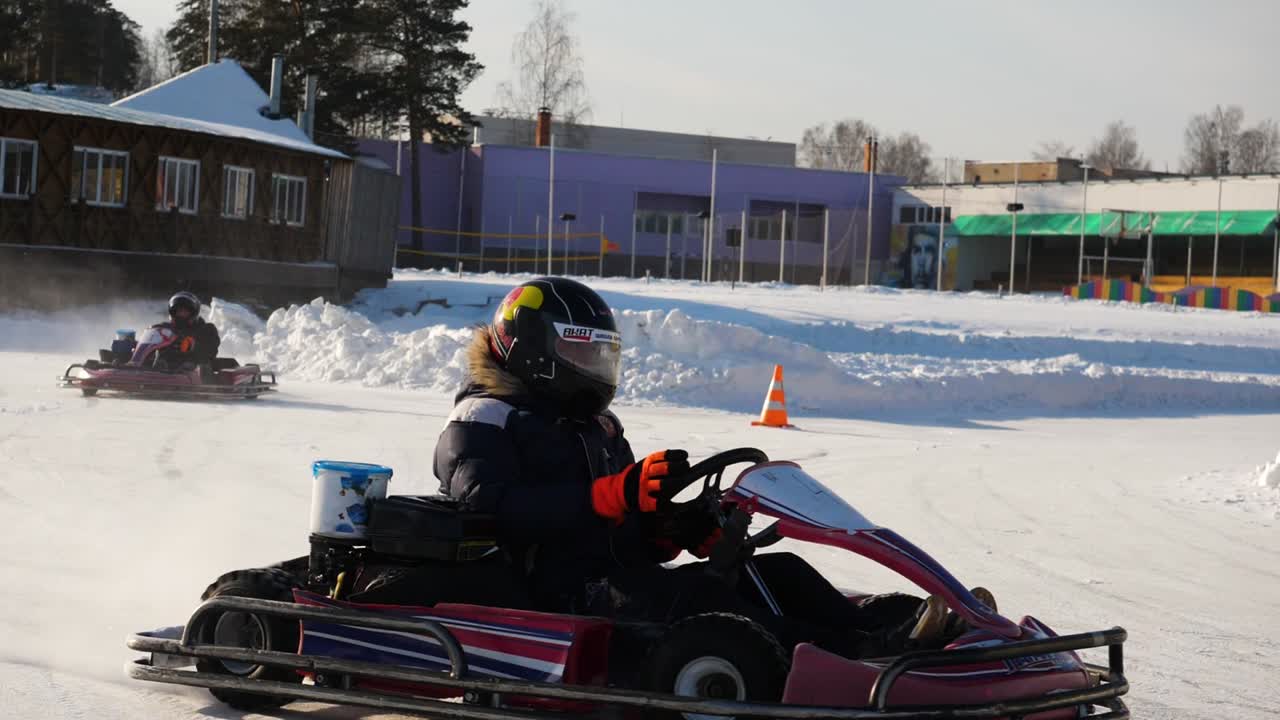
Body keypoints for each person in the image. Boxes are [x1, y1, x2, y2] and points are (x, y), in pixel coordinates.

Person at [431, 277, 966, 659]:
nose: (595, 370)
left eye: (602, 355)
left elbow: (623, 521)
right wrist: (608, 497)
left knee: (773, 572)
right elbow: (489, 506)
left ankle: (897, 620)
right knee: (704, 601)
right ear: (534, 351)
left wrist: (673, 529)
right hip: (549, 594)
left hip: (613, 578)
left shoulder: (597, 425)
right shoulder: (484, 418)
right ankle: (861, 655)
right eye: (583, 354)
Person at [155, 291, 221, 371]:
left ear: (193, 313)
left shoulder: (206, 329)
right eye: (179, 311)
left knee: (189, 365)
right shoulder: (164, 328)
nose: (181, 314)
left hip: (194, 371)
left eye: (185, 311)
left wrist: (193, 345)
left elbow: (211, 350)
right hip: (164, 367)